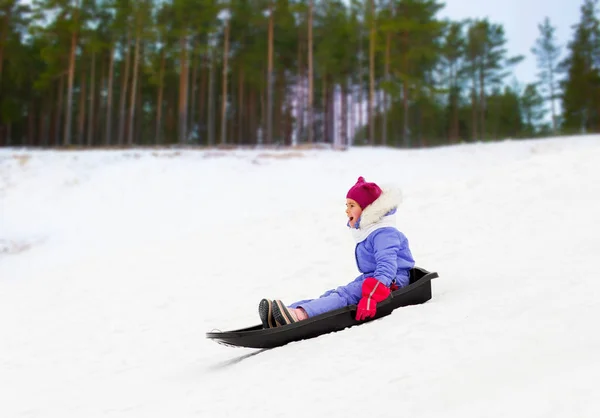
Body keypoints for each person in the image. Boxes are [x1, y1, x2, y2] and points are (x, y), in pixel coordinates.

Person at [258, 176, 415, 328]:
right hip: (374, 279)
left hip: (390, 282)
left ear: (367, 209)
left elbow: (387, 267)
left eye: (352, 205)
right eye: (346, 205)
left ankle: (299, 315)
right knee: (334, 294)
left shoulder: (384, 233)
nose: (347, 211)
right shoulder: (371, 232)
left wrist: (371, 296)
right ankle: (288, 312)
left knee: (343, 297)